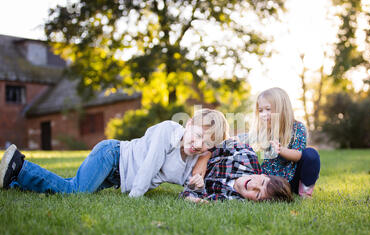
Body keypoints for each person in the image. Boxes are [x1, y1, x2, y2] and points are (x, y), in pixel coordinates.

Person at [0, 109, 229, 198]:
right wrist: (134, 198)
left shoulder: (191, 159)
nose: (198, 144)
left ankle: (15, 182)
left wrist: (197, 185)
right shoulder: (168, 130)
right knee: (76, 191)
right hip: (112, 156)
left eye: (206, 143)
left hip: (115, 177)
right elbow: (150, 164)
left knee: (68, 186)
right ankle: (19, 166)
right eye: (197, 134)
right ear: (188, 124)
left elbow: (187, 186)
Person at [193, 87, 320, 198]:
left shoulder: (298, 128)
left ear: (281, 108)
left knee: (311, 154)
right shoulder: (264, 131)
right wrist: (233, 140)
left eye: (268, 109)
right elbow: (247, 137)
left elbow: (299, 155)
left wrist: (282, 151)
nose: (264, 114)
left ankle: (305, 192)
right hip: (268, 182)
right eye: (261, 110)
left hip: (291, 178)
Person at [180, 139, 293, 203]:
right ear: (264, 175)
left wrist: (191, 197)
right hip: (193, 151)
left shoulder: (231, 199)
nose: (252, 185)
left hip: (181, 174)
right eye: (262, 182)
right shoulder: (246, 157)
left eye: (258, 194)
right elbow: (222, 142)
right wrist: (205, 157)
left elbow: (193, 193)